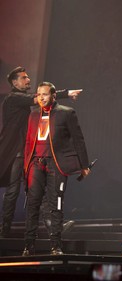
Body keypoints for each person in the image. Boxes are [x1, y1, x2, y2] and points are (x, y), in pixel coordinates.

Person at [0, 66, 80, 238]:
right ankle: (5, 230)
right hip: (15, 152)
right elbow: (40, 98)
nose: (28, 80)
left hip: (28, 151)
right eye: (24, 78)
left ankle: (52, 226)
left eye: (28, 77)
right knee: (14, 190)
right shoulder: (13, 98)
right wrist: (67, 93)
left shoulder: (20, 99)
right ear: (14, 82)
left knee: (36, 188)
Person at [22, 81, 90, 255]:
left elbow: (78, 139)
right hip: (36, 163)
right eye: (38, 94)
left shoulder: (66, 113)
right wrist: (26, 166)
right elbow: (29, 142)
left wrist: (84, 164)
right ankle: (28, 246)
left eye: (44, 94)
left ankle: (55, 246)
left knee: (55, 204)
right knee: (33, 204)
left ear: (53, 95)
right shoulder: (33, 115)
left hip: (56, 164)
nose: (41, 97)